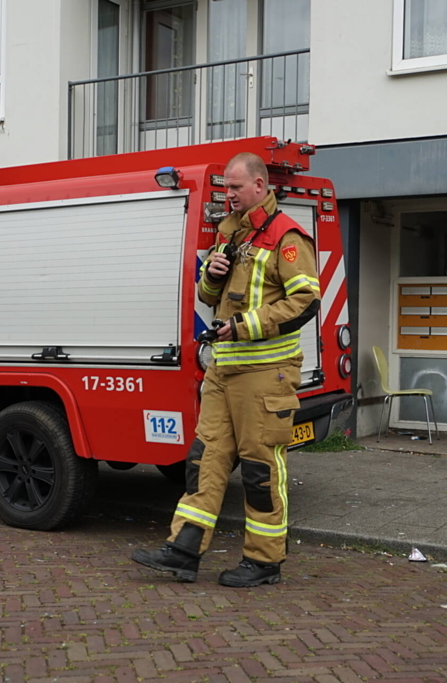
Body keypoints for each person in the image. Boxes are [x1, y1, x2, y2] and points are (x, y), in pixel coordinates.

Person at [131, 152, 320, 587]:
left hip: (266, 374)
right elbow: (210, 293)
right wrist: (212, 274)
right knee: (205, 461)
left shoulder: (286, 236)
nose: (228, 195)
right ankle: (183, 551)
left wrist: (243, 326)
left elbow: (305, 301)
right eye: (225, 188)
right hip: (224, 371)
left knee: (260, 470)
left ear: (259, 185)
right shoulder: (228, 232)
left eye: (235, 188)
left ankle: (264, 561)